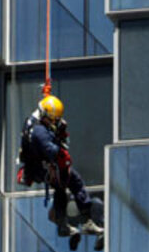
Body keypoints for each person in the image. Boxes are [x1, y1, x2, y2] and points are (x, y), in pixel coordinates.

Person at [17, 95, 103, 242]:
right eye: (52, 119)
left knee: (62, 189)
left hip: (39, 166)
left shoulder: (33, 120)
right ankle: (85, 220)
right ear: (44, 115)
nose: (54, 122)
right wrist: (58, 136)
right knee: (74, 182)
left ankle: (64, 225)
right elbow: (52, 150)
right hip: (43, 167)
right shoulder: (39, 132)